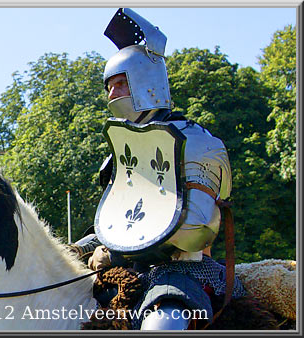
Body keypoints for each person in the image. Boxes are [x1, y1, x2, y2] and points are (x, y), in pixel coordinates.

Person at [71, 8, 245, 330]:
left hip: (181, 270)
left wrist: (118, 252)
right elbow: (119, 224)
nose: (111, 94)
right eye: (108, 86)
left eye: (120, 84)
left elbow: (197, 229)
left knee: (162, 324)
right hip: (128, 270)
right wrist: (76, 249)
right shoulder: (121, 152)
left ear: (146, 82)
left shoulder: (193, 142)